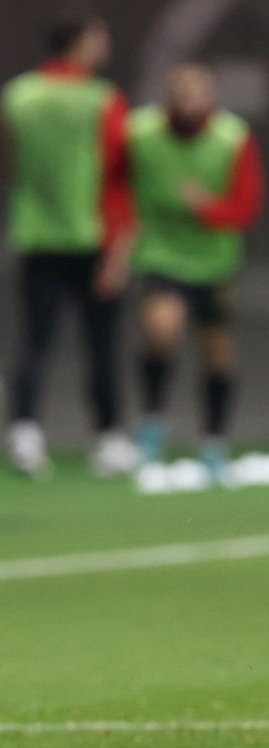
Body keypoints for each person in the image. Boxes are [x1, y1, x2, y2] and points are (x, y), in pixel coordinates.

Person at [0, 14, 135, 478]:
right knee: (101, 345)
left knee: (34, 341)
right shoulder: (103, 100)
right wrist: (119, 248)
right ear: (79, 43)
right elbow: (117, 177)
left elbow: (8, 163)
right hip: (93, 237)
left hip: (37, 238)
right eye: (99, 37)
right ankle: (111, 438)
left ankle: (24, 435)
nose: (106, 43)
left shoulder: (18, 94)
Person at [126, 64, 264, 482]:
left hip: (213, 262)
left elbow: (246, 206)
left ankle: (214, 441)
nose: (188, 106)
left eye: (196, 97)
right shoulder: (141, 133)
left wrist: (207, 209)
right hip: (161, 254)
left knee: (217, 353)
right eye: (179, 97)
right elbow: (115, 182)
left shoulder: (232, 138)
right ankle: (152, 424)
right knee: (162, 329)